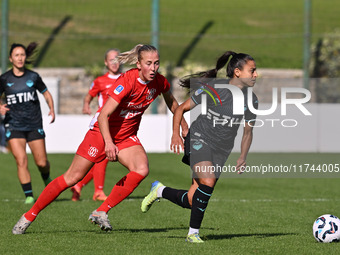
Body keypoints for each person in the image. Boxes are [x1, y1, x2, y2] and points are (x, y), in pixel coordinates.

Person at [12, 44, 188, 234]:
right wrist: (109, 143)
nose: (153, 68)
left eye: (156, 63)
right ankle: (29, 215)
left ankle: (101, 211)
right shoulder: (127, 81)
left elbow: (172, 102)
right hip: (100, 133)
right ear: (138, 64)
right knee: (72, 177)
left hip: (126, 136)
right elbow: (103, 114)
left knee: (141, 169)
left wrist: (181, 127)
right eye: (148, 63)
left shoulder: (159, 82)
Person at [141, 51, 259, 243]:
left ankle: (159, 191)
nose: (255, 75)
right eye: (252, 71)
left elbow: (247, 132)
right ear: (237, 72)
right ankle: (192, 234)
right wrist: (175, 134)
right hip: (199, 138)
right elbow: (181, 109)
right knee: (209, 180)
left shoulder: (251, 101)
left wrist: (242, 156)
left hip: (222, 150)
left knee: (192, 199)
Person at [0, 42, 55, 204]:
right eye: (16, 55)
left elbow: (46, 93)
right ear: (11, 58)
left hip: (33, 124)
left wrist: (51, 109)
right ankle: (29, 196)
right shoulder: (4, 79)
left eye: (22, 55)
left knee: (42, 162)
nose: (20, 58)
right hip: (13, 125)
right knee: (21, 160)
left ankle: (46, 178)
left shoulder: (33, 77)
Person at [70, 48, 122, 202]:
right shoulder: (100, 81)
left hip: (118, 124)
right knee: (103, 157)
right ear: (106, 62)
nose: (114, 63)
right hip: (103, 123)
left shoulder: (125, 79)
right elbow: (89, 95)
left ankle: (78, 185)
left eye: (117, 59)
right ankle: (98, 192)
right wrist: (86, 105)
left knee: (100, 158)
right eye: (111, 60)